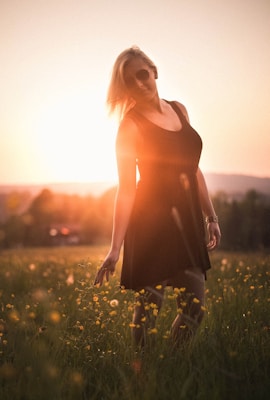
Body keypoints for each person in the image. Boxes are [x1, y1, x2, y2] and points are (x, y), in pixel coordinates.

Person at [94, 46, 221, 347]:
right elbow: (126, 190)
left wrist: (211, 216)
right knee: (148, 310)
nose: (139, 84)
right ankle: (146, 373)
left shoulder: (179, 109)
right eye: (130, 81)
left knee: (195, 308)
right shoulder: (130, 126)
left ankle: (172, 363)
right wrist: (115, 249)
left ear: (154, 72)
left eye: (142, 74)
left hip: (187, 222)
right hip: (150, 224)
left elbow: (194, 170)